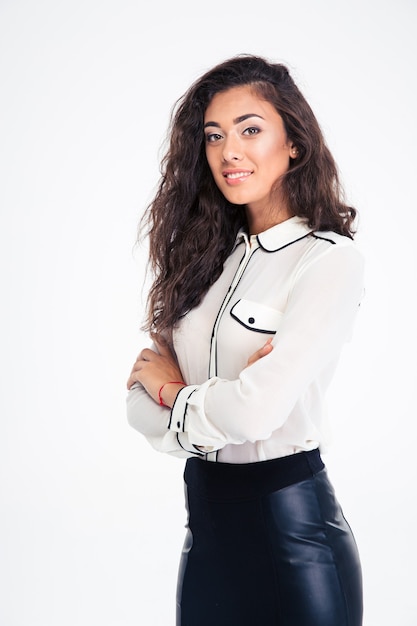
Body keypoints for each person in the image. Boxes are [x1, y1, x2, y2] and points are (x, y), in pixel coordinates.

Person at [126, 54, 364, 626]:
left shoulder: (327, 261)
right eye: (214, 136)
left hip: (297, 540)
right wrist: (211, 398)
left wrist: (175, 395)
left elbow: (257, 414)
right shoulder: (201, 261)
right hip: (206, 537)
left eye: (251, 130)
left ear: (293, 145)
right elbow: (136, 400)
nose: (229, 151)